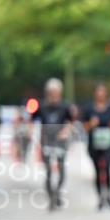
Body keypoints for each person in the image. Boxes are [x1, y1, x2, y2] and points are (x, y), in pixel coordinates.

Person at [33, 78, 74, 211]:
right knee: (48, 172)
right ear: (48, 92)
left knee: (61, 172)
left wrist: (66, 131)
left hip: (60, 143)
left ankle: (57, 193)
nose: (54, 94)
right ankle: (51, 197)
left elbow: (70, 122)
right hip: (46, 142)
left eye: (56, 92)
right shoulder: (42, 106)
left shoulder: (65, 106)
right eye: (52, 92)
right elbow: (33, 120)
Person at [82, 83, 110, 209]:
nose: (100, 94)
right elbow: (84, 128)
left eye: (103, 92)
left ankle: (109, 195)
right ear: (95, 94)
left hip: (108, 145)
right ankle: (100, 197)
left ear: (106, 94)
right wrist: (91, 125)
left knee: (108, 169)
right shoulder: (89, 109)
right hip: (94, 145)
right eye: (98, 92)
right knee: (98, 171)